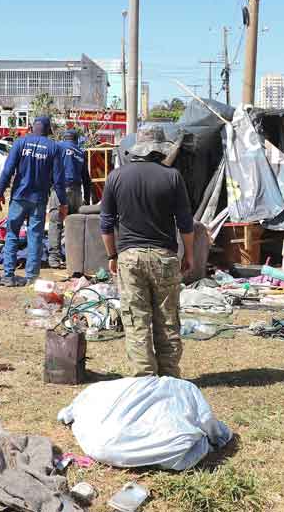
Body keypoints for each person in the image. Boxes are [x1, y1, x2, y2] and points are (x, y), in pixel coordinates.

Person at [100, 126, 194, 378]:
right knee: (167, 319)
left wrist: (112, 256)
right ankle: (170, 377)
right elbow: (186, 223)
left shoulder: (116, 177)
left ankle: (144, 378)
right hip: (164, 257)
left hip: (130, 257)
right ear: (159, 149)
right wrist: (189, 255)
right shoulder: (172, 177)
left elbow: (106, 225)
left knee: (136, 320)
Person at [0, 116, 67, 286]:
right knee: (35, 237)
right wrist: (63, 203)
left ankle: (8, 276)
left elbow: (7, 170)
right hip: (39, 200)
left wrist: (0, 192)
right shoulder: (54, 148)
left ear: (32, 127)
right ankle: (31, 277)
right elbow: (58, 179)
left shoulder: (20, 143)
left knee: (12, 234)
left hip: (19, 198)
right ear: (49, 129)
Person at [47, 128, 93, 269]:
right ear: (76, 139)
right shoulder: (80, 152)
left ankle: (54, 258)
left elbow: (50, 169)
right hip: (76, 192)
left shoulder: (57, 147)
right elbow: (86, 177)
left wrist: (48, 188)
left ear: (64, 138)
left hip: (60, 190)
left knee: (56, 223)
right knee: (74, 225)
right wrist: (86, 198)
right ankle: (74, 258)